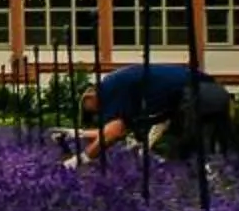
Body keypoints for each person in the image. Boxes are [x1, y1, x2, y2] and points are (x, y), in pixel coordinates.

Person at [77, 61, 230, 162]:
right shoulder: (125, 90)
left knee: (195, 154)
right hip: (214, 92)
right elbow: (113, 131)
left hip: (197, 95)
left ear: (91, 96)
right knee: (220, 150)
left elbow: (112, 133)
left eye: (93, 112)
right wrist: (77, 134)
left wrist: (81, 159)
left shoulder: (109, 89)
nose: (99, 115)